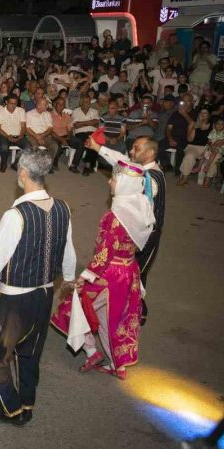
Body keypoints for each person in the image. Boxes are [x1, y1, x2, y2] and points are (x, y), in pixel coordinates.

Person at [0, 150, 75, 425]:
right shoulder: (62, 208)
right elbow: (68, 249)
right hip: (44, 295)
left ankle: (12, 409)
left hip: (14, 302)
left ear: (22, 174)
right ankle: (28, 401)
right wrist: (67, 277)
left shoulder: (16, 215)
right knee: (31, 352)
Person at [51, 160, 154, 380]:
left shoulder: (115, 216)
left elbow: (105, 252)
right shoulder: (143, 207)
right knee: (115, 318)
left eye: (114, 178)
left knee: (76, 307)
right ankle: (119, 365)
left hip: (109, 274)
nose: (109, 181)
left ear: (125, 184)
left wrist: (85, 276)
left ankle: (91, 351)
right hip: (129, 270)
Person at [87, 136, 166, 325]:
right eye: (132, 148)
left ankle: (138, 310)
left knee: (137, 272)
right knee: (124, 269)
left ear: (150, 153)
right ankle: (121, 304)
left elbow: (135, 187)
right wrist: (98, 147)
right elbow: (120, 160)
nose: (132, 151)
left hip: (147, 234)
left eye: (137, 149)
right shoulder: (138, 168)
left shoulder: (151, 178)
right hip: (130, 230)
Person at [176, 108, 212, 186]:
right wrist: (195, 127)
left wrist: (206, 149)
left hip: (206, 147)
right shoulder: (193, 123)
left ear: (209, 115)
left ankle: (183, 174)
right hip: (192, 146)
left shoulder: (212, 126)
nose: (203, 115)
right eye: (201, 112)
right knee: (189, 156)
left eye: (205, 113)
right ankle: (185, 178)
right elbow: (189, 139)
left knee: (208, 156)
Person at [0, 95, 27, 172]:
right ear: (6, 102)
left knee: (28, 148)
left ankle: (16, 163)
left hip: (18, 135)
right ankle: (4, 163)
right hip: (4, 135)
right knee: (4, 147)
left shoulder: (21, 111)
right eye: (11, 103)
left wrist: (21, 135)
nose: (13, 105)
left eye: (15, 103)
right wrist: (8, 136)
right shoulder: (0, 112)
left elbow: (23, 126)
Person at [25, 98, 60, 170]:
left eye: (46, 104)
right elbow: (27, 129)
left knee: (54, 146)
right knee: (35, 146)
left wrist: (41, 135)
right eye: (45, 105)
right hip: (32, 135)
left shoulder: (47, 114)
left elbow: (50, 128)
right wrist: (37, 136)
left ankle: (47, 166)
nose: (47, 106)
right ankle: (34, 167)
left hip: (44, 136)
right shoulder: (29, 114)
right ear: (38, 105)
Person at [197, 118, 224, 187]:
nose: (220, 126)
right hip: (211, 147)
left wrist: (218, 143)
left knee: (214, 160)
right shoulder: (213, 131)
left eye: (222, 124)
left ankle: (207, 179)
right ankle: (200, 171)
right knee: (204, 155)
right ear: (215, 125)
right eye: (218, 124)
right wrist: (211, 145)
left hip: (220, 149)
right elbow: (209, 141)